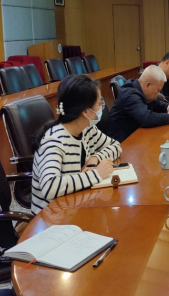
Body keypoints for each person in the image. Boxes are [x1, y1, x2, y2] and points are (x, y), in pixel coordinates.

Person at [31, 75, 121, 214]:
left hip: (77, 203)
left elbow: (116, 146)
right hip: (52, 216)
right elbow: (50, 187)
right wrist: (97, 174)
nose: (101, 108)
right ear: (85, 111)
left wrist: (95, 158)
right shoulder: (54, 141)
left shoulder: (87, 129)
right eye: (99, 104)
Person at [108, 65, 169, 142]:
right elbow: (146, 118)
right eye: (157, 90)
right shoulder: (131, 95)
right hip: (122, 143)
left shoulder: (139, 88)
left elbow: (154, 103)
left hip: (135, 138)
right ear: (147, 85)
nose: (158, 94)